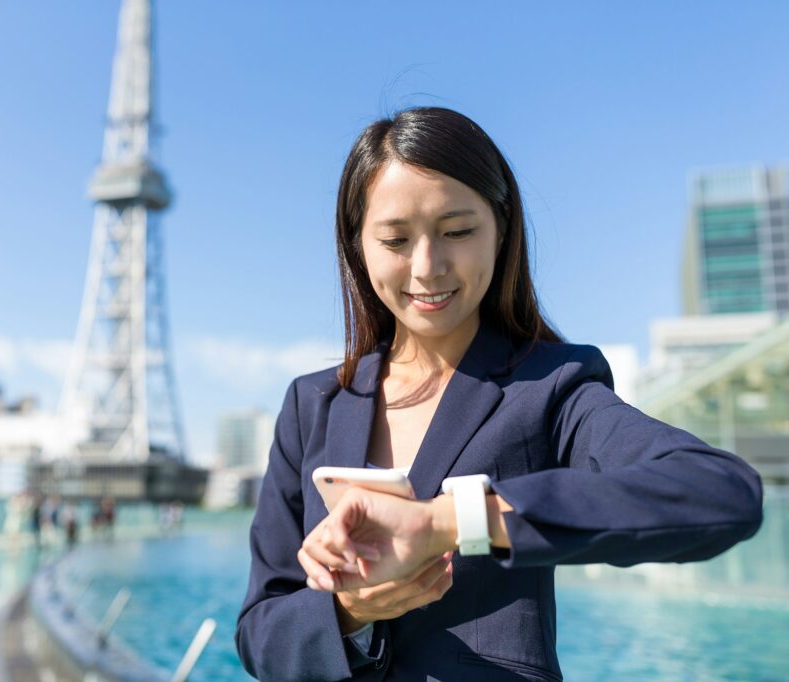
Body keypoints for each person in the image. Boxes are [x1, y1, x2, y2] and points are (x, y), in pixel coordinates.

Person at [235, 107, 764, 681]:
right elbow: (260, 633)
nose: (428, 267)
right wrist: (347, 612)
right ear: (358, 245)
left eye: (458, 232)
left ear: (501, 231)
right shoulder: (311, 405)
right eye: (395, 239)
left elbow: (721, 494)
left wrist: (451, 521)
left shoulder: (552, 386)